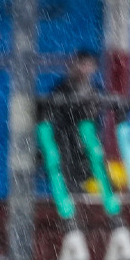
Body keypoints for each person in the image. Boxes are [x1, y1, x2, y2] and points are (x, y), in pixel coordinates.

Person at [40, 48, 104, 189]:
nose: (84, 70)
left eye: (89, 65)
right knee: (70, 186)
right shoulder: (61, 90)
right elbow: (51, 117)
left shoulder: (96, 91)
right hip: (67, 149)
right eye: (81, 64)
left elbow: (95, 117)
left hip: (87, 150)